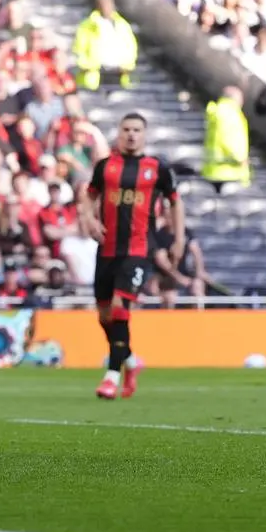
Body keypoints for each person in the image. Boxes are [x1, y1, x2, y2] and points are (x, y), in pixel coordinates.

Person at [78, 113, 183, 400]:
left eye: (137, 130)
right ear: (119, 132)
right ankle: (132, 362)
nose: (131, 135)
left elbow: (175, 202)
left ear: (144, 134)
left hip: (138, 250)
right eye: (126, 129)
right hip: (107, 249)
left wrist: (179, 240)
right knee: (104, 316)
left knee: (119, 308)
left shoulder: (157, 168)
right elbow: (88, 196)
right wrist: (88, 218)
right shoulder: (105, 167)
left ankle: (112, 376)